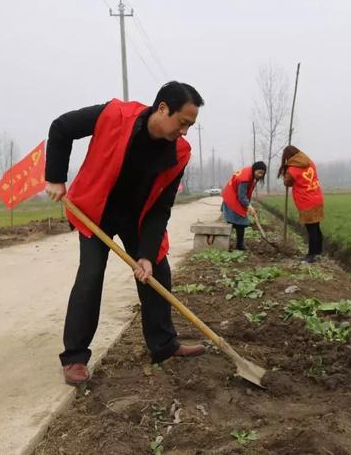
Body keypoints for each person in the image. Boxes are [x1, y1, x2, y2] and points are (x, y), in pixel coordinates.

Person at [45, 81, 207, 386]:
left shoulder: (179, 153)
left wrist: (145, 255)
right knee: (91, 275)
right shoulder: (115, 115)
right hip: (97, 211)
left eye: (190, 125)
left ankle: (164, 346)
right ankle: (75, 357)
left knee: (157, 270)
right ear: (162, 109)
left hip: (138, 218)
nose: (184, 131)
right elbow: (62, 127)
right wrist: (54, 177)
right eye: (182, 122)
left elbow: (161, 207)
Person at [277, 146, 324, 263]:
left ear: (287, 157)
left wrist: (286, 171)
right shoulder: (310, 162)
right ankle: (318, 251)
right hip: (317, 198)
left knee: (311, 229)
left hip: (306, 201)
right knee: (316, 227)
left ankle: (311, 255)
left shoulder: (292, 169)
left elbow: (287, 183)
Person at [220, 162, 267, 250]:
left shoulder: (250, 174)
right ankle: (234, 245)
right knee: (239, 222)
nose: (260, 175)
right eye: (259, 172)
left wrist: (248, 206)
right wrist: (249, 207)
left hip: (234, 198)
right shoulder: (245, 178)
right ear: (254, 170)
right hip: (232, 199)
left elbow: (245, 194)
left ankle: (236, 244)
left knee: (238, 223)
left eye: (262, 173)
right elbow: (242, 196)